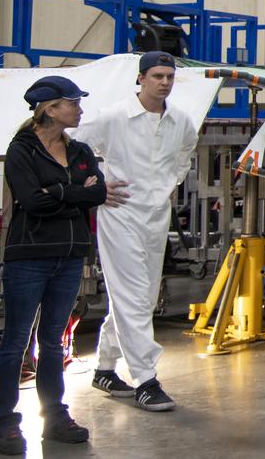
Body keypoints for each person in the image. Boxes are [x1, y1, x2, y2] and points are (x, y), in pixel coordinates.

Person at [0, 76, 128, 456]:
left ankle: (54, 416)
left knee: (53, 342)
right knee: (16, 342)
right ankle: (4, 425)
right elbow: (33, 203)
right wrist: (76, 193)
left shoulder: (81, 150)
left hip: (69, 257)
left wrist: (61, 192)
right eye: (73, 102)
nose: (79, 109)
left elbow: (99, 191)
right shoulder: (22, 151)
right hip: (29, 257)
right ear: (50, 109)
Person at [71, 51, 199, 412]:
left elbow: (186, 152)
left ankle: (105, 368)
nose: (164, 82)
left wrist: (170, 183)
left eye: (170, 77)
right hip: (120, 215)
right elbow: (72, 144)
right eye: (157, 76)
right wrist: (94, 185)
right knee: (131, 297)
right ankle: (146, 378)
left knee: (139, 296)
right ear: (141, 78)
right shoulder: (114, 117)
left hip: (156, 216)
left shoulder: (180, 121)